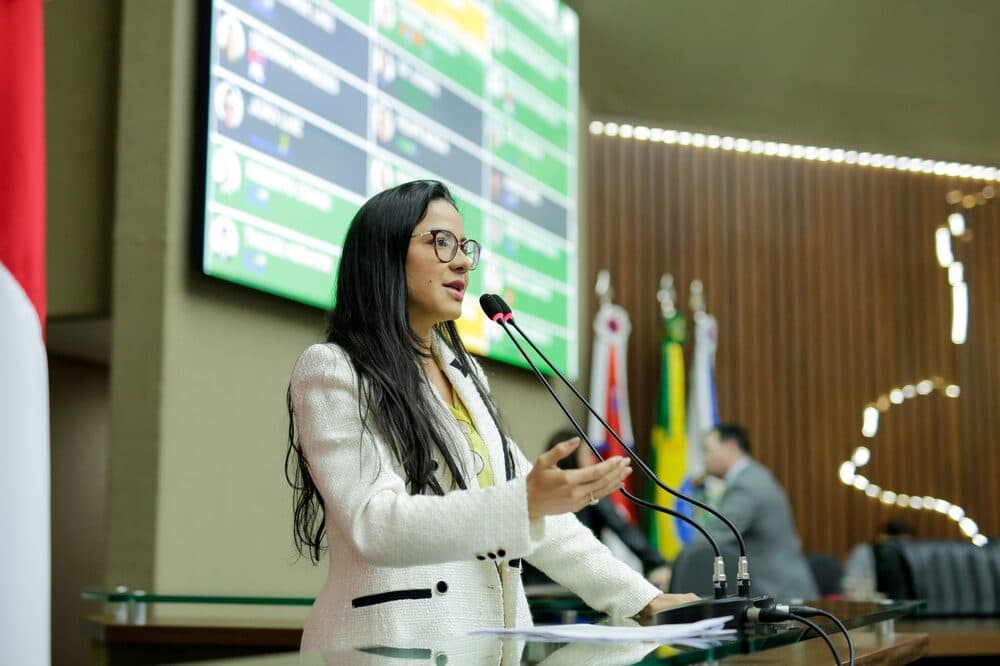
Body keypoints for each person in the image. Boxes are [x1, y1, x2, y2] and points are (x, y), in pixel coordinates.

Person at [285, 180, 697, 650]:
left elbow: (548, 526)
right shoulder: (333, 369)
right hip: (392, 650)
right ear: (384, 253)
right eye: (440, 243)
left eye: (464, 247)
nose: (461, 261)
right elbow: (376, 525)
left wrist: (642, 600)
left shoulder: (466, 374)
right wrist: (525, 503)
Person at [524, 429, 671, 589]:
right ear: (572, 458)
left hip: (533, 591)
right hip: (574, 591)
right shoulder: (591, 493)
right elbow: (624, 531)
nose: (593, 459)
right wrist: (663, 564)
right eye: (588, 454)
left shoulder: (535, 492)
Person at [700, 423, 819, 601]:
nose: (704, 458)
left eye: (707, 450)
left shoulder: (745, 485)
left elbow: (715, 535)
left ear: (731, 447)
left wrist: (671, 567)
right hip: (785, 589)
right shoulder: (755, 475)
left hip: (780, 593)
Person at [842, 519, 914, 600]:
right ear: (880, 537)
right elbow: (851, 587)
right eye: (891, 541)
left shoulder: (910, 555)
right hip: (870, 603)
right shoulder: (864, 552)